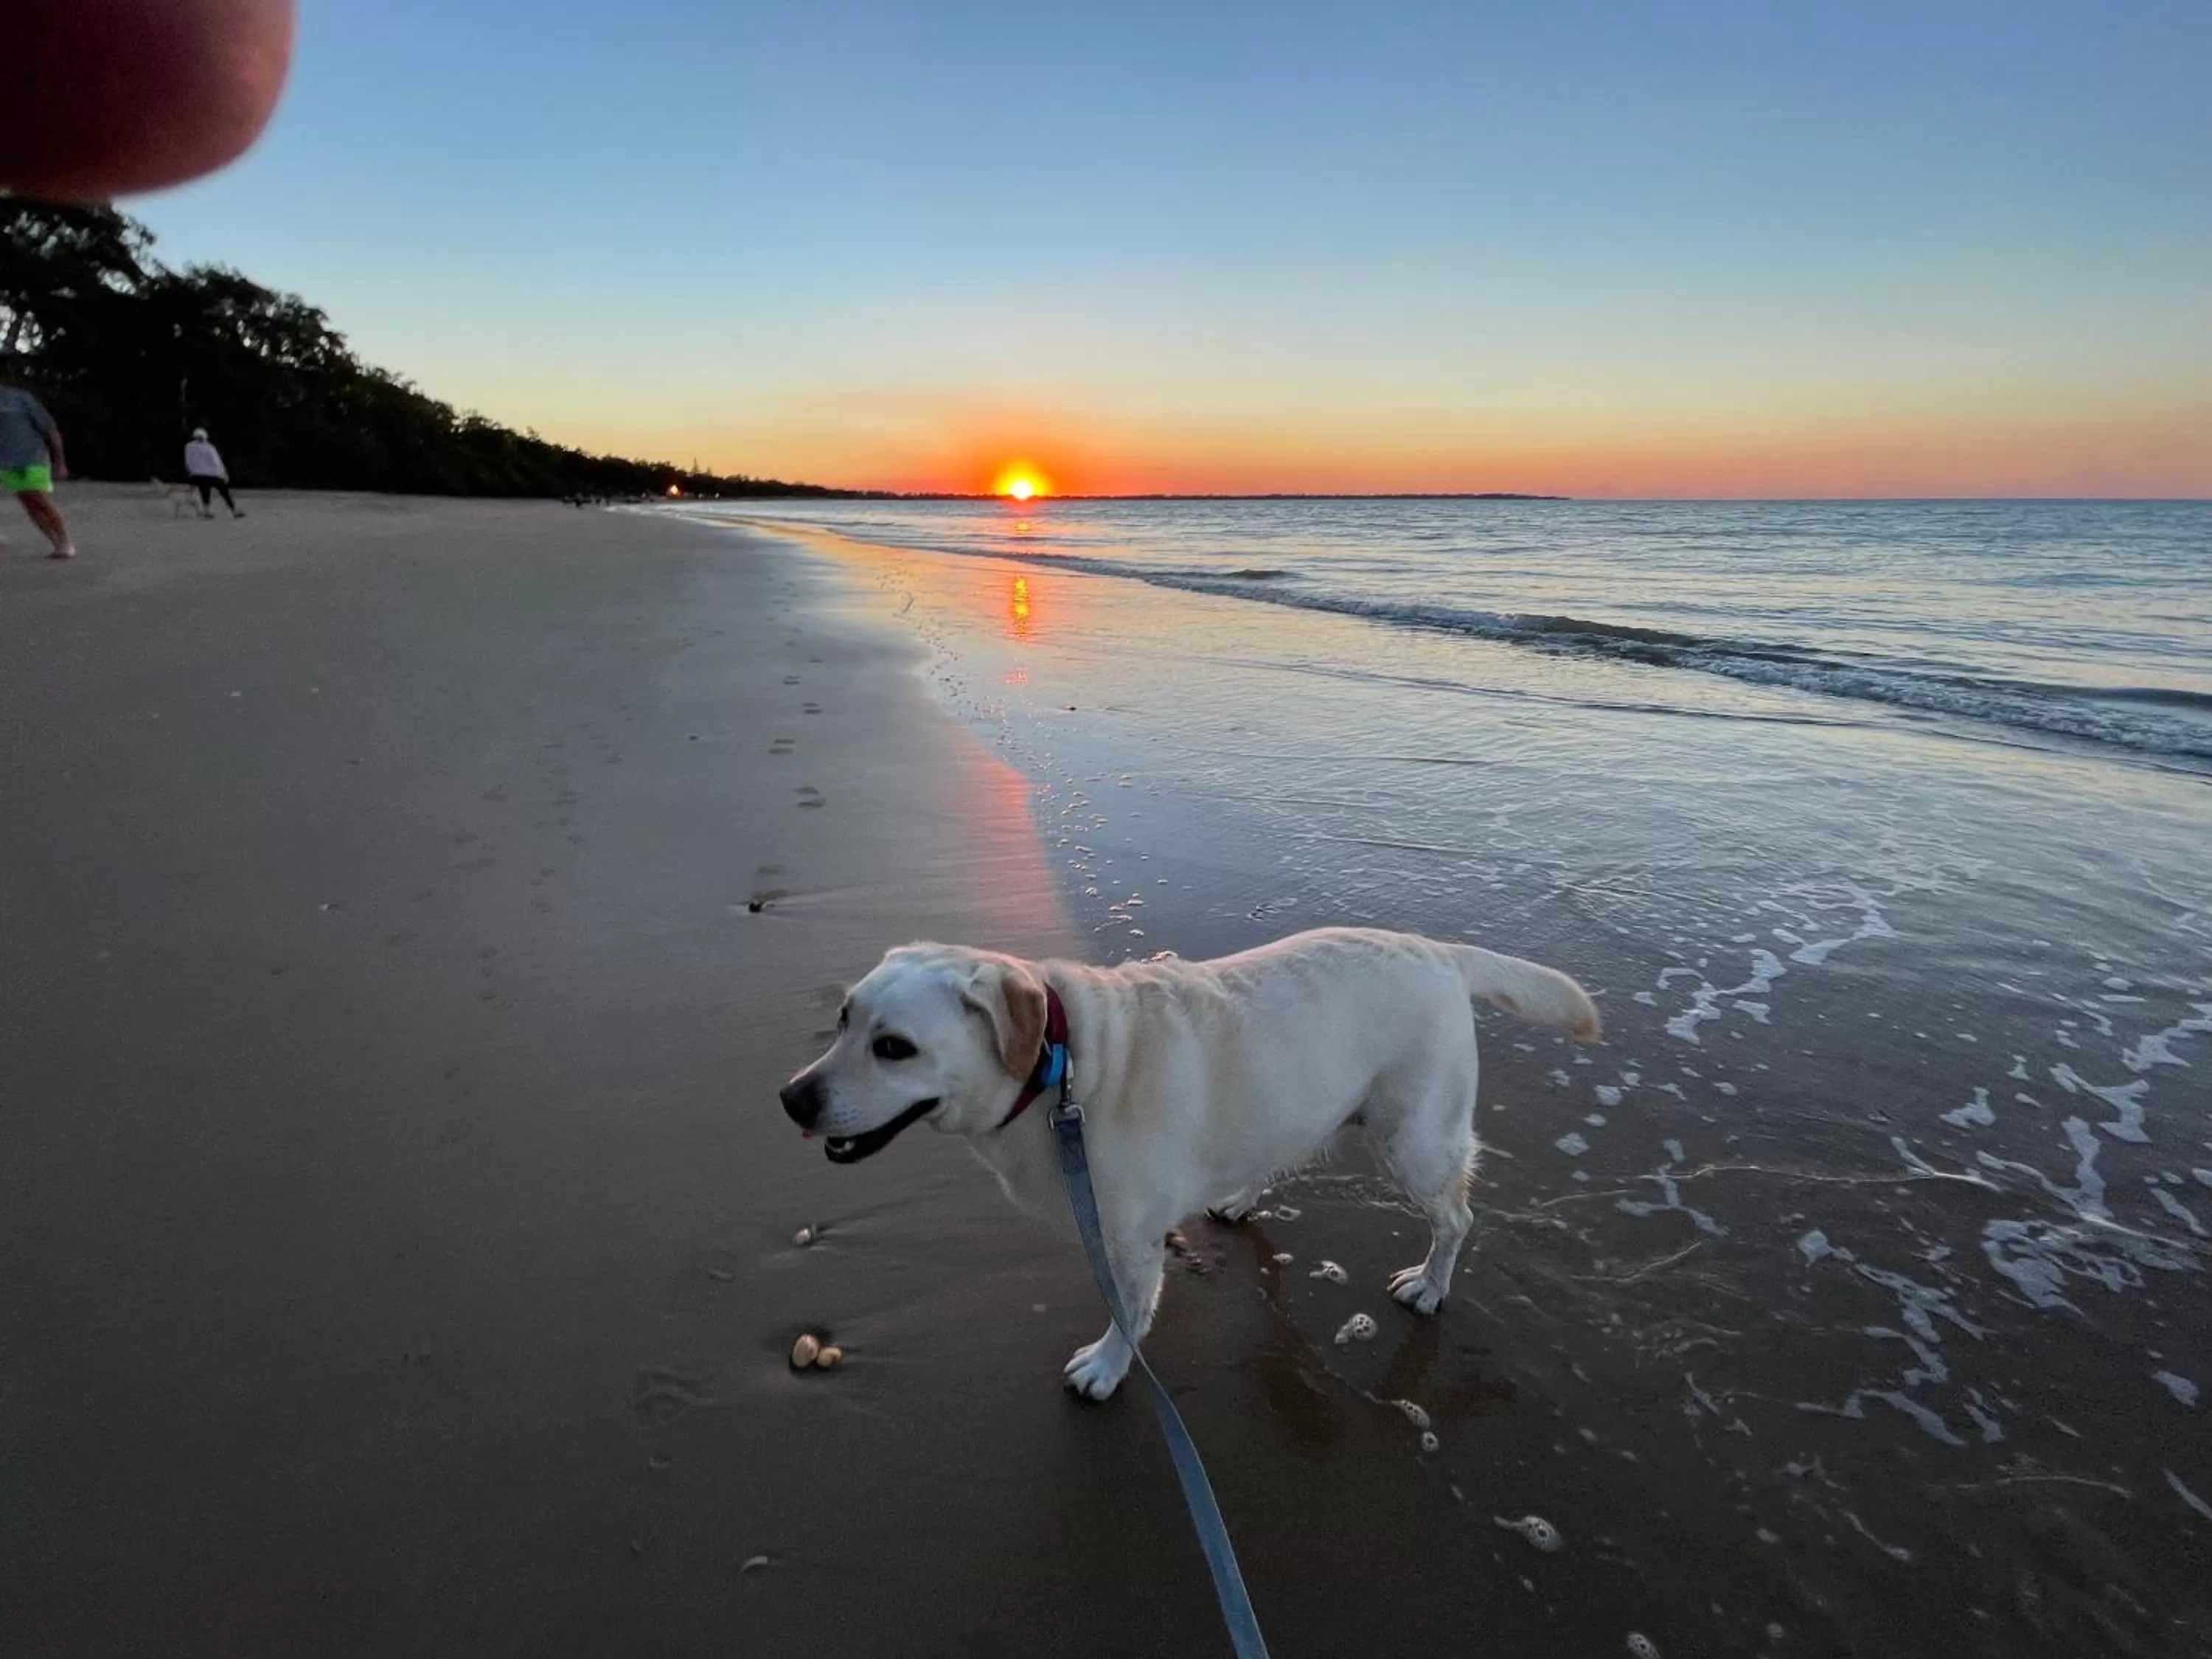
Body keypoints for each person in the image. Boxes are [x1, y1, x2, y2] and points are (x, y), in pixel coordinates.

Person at [0, 383, 77, 559]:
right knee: (29, 503)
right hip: (6, 461)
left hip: (31, 456)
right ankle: (56, 544)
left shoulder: (20, 398)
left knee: (38, 498)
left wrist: (60, 461)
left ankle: (66, 541)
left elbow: (50, 428)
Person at [184, 428, 245, 518]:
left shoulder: (189, 447)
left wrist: (192, 471)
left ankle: (207, 511)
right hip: (212, 474)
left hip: (197, 474)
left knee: (204, 490)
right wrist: (223, 473)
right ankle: (234, 510)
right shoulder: (209, 447)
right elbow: (216, 461)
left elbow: (188, 461)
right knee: (224, 491)